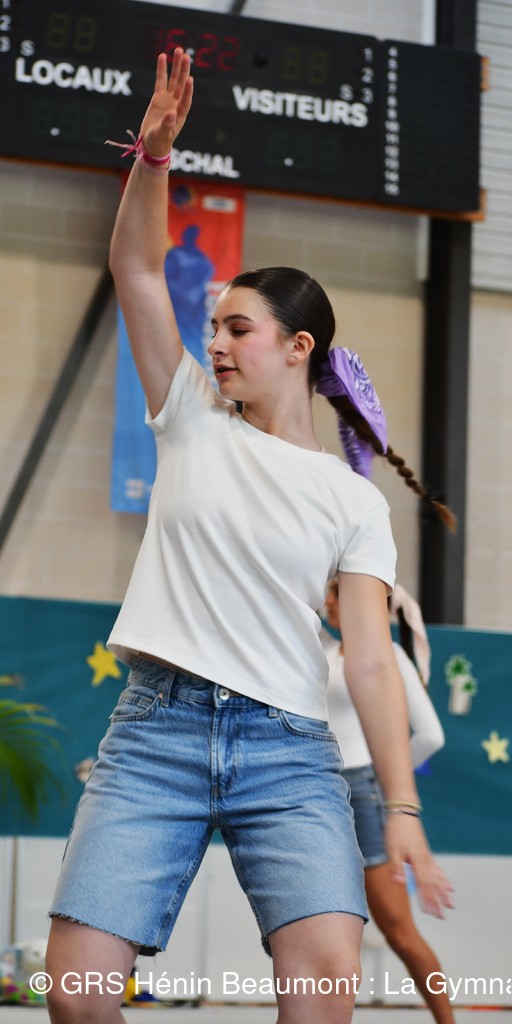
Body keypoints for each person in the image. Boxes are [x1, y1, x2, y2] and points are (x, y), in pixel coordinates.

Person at [45, 49, 453, 1024]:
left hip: (289, 753)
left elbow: (370, 662)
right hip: (156, 734)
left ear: (297, 346)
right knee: (77, 997)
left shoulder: (352, 502)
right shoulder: (190, 417)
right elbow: (136, 266)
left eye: (237, 328)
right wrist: (153, 157)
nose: (215, 343)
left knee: (323, 997)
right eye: (213, 327)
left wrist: (400, 808)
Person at [323, 578, 456, 1024]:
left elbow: (431, 735)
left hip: (363, 793)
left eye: (335, 594)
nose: (327, 602)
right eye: (327, 594)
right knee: (319, 931)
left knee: (399, 931)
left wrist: (385, 778)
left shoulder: (389, 656)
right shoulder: (323, 649)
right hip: (315, 789)